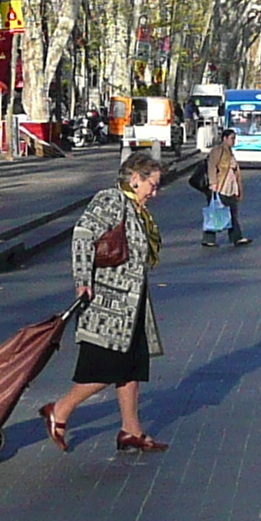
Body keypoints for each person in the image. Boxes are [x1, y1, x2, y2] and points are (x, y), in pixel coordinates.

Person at [41, 149, 172, 455]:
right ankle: (59, 411)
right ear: (135, 179)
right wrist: (82, 280)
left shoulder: (135, 208)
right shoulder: (111, 200)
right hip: (108, 304)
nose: (155, 191)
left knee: (132, 367)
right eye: (152, 184)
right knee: (105, 368)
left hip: (133, 303)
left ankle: (131, 431)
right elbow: (83, 234)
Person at [199, 128, 246, 248]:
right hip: (220, 186)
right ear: (224, 138)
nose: (234, 141)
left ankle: (236, 237)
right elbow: (212, 166)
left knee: (230, 211)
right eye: (232, 138)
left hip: (230, 186)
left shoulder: (229, 151)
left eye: (234, 138)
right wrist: (213, 183)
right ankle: (210, 238)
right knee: (216, 211)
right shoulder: (218, 150)